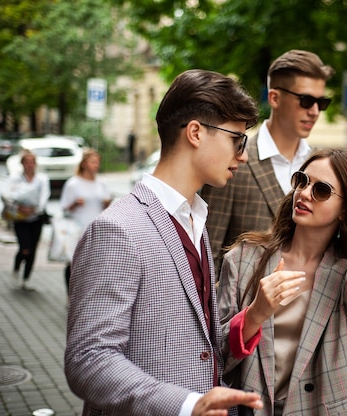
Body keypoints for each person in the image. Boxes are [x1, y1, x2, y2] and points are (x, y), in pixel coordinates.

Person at [64, 69, 264, 416]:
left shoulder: (196, 221)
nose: (243, 155)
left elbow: (195, 345)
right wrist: (187, 405)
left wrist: (254, 316)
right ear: (196, 132)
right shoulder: (117, 230)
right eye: (238, 139)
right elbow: (88, 360)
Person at [218, 133, 347, 415]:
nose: (304, 193)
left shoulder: (345, 274)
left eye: (322, 190)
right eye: (302, 180)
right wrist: (255, 313)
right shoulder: (244, 257)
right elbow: (216, 352)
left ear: (344, 209)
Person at [200, 49, 335, 273]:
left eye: (321, 103)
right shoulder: (234, 162)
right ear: (274, 98)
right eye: (306, 100)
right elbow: (209, 256)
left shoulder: (322, 167)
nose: (314, 112)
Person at [60, 148, 112, 296]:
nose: (96, 164)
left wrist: (107, 203)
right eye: (93, 161)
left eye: (98, 162)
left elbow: (106, 207)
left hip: (96, 229)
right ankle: (70, 295)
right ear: (83, 164)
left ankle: (86, 295)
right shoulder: (73, 184)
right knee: (73, 263)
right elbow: (64, 208)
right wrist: (75, 204)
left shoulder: (101, 183)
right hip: (77, 228)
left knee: (93, 263)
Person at [3, 149, 51, 290]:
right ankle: (17, 268)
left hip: (36, 218)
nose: (30, 165)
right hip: (20, 218)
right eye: (27, 162)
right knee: (25, 247)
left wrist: (34, 209)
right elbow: (6, 195)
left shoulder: (42, 179)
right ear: (22, 164)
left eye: (32, 162)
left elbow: (44, 197)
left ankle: (26, 278)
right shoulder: (14, 179)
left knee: (33, 249)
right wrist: (18, 207)